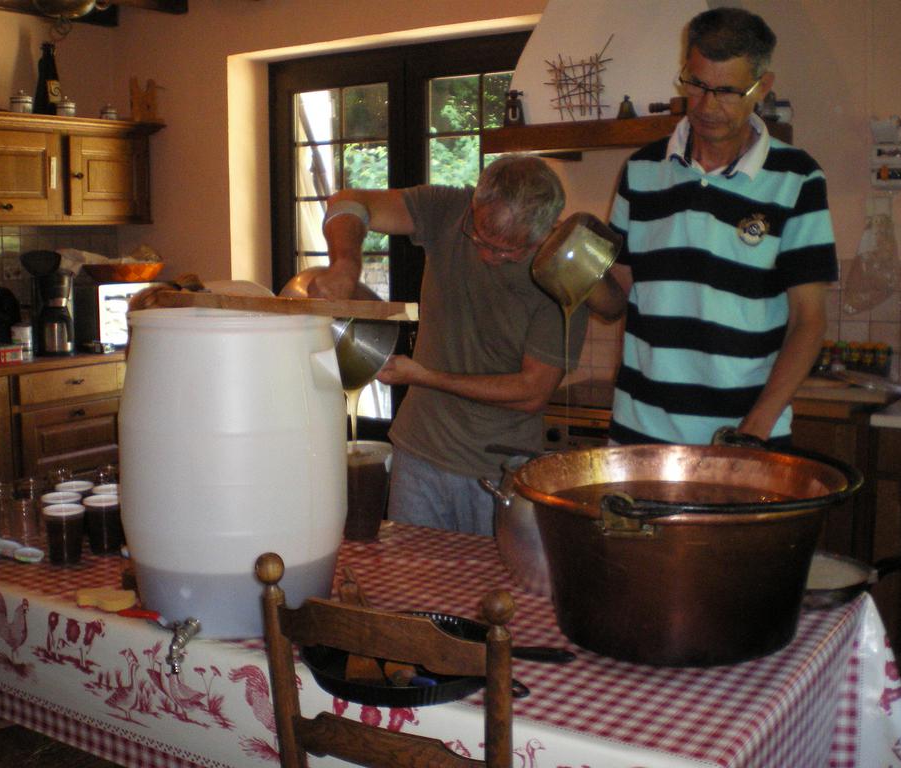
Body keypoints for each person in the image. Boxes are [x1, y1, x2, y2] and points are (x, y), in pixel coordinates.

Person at [313, 154, 625, 535]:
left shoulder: (565, 275)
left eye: (506, 250)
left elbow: (531, 392)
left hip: (498, 471)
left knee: (491, 573)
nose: (486, 254)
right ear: (476, 202)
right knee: (410, 570)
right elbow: (348, 203)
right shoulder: (450, 210)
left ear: (542, 233)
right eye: (478, 236)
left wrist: (424, 376)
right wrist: (345, 266)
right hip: (418, 456)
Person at [601, 7, 837, 446]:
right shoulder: (641, 170)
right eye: (696, 84)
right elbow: (616, 297)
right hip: (639, 433)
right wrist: (568, 268)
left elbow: (809, 321)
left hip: (745, 436)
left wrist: (755, 429)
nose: (707, 106)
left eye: (727, 91)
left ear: (762, 86)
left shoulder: (798, 179)